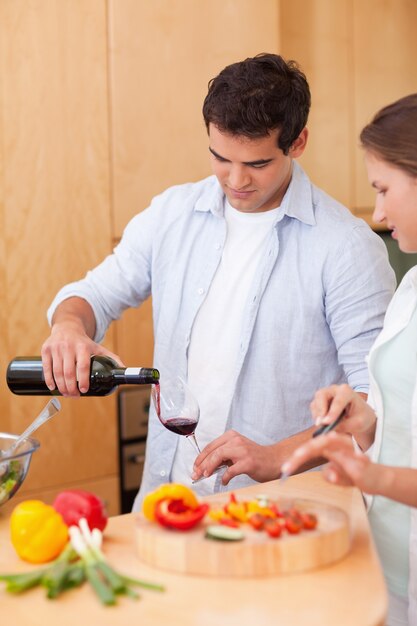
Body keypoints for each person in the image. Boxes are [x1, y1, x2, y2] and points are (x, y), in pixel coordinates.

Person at [41, 53, 395, 508]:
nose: (236, 179)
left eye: (258, 163)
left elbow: (375, 401)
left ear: (298, 142)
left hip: (283, 511)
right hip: (166, 498)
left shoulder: (346, 247)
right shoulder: (172, 213)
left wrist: (278, 455)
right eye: (220, 158)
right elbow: (92, 294)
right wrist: (69, 327)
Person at [280, 94, 417, 626]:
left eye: (383, 189)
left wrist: (368, 475)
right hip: (386, 567)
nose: (378, 212)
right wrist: (364, 422)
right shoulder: (410, 288)